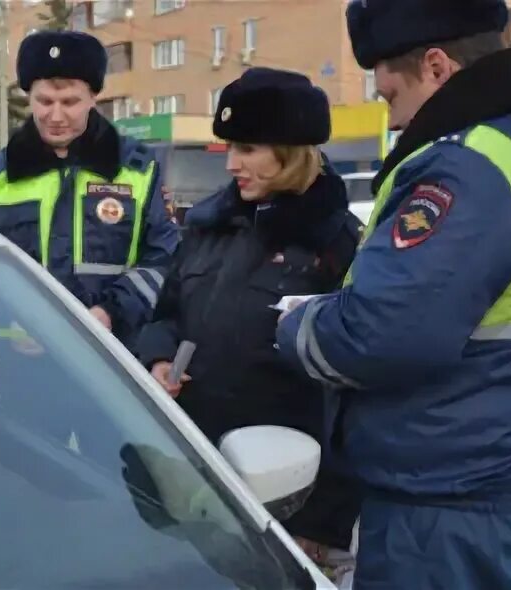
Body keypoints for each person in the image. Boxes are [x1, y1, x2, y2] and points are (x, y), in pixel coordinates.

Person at [275, 1, 511, 588]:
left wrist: (296, 324)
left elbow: (383, 333)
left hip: (454, 499)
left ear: (438, 68)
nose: (391, 120)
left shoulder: (470, 167)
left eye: (390, 95)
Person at [134, 68, 363, 572]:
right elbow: (167, 315)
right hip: (197, 486)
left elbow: (355, 403)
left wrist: (320, 525)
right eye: (230, 147)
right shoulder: (209, 227)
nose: (232, 163)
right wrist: (157, 358)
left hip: (289, 505)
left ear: (293, 149)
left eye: (248, 149)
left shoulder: (339, 245)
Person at [0, 30, 179, 346]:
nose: (55, 116)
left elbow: (163, 260)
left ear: (93, 97)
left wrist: (109, 312)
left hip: (115, 356)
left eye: (69, 102)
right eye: (44, 101)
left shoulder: (137, 170)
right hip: (20, 363)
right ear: (28, 96)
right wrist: (10, 329)